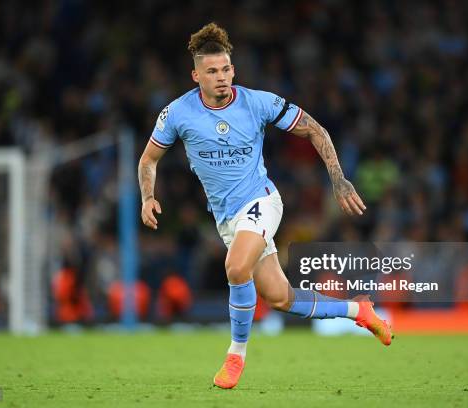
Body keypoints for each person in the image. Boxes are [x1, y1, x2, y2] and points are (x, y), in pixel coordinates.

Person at [138, 22, 392, 390]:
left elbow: (314, 129)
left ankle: (235, 355)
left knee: (236, 267)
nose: (222, 77)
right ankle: (359, 310)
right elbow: (148, 160)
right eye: (212, 71)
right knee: (279, 297)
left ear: (233, 69)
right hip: (227, 219)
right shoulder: (176, 113)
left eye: (226, 69)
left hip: (262, 202)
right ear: (196, 75)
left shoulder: (258, 102)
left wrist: (338, 179)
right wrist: (148, 196)